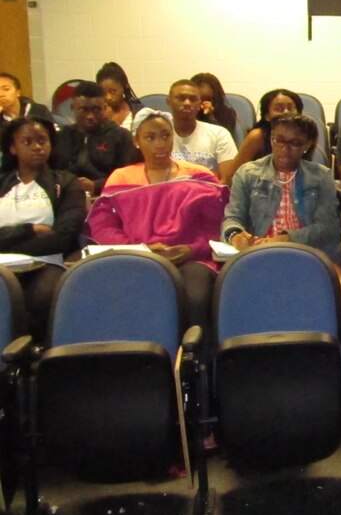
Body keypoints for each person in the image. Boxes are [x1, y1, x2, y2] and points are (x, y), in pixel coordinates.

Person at [86, 108, 229, 333]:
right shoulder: (121, 178)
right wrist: (140, 249)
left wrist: (191, 249)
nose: (160, 144)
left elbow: (215, 226)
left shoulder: (200, 176)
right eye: (150, 138)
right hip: (136, 257)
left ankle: (194, 358)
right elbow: (103, 226)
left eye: (165, 136)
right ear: (136, 141)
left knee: (195, 296)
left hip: (192, 259)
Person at [0, 117, 86, 341]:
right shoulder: (2, 183)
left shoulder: (66, 183)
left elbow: (62, 237)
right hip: (2, 264)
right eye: (27, 142)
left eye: (42, 141)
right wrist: (28, 229)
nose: (37, 147)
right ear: (13, 148)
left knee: (44, 296)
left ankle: (39, 360)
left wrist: (8, 238)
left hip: (48, 261)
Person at [221, 114, 340, 261]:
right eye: (280, 141)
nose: (285, 148)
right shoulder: (247, 173)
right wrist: (235, 236)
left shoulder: (321, 176)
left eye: (295, 143)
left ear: (307, 145)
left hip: (307, 252)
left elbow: (327, 227)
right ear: (272, 138)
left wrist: (286, 239)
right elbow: (233, 217)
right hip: (258, 252)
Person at [50, 80, 138, 195]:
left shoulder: (121, 136)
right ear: (73, 107)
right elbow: (51, 174)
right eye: (84, 110)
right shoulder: (61, 137)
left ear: (105, 107)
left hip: (106, 197)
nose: (90, 116)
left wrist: (95, 186)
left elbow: (128, 177)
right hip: (67, 197)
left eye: (96, 109)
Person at [221, 88, 306, 184]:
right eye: (279, 109)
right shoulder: (257, 136)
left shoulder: (304, 135)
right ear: (267, 116)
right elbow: (232, 175)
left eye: (291, 108)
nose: (286, 112)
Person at [167, 79, 237, 178]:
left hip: (208, 192)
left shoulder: (220, 134)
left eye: (193, 99)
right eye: (181, 98)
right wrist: (209, 173)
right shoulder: (158, 136)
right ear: (168, 102)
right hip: (169, 192)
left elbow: (226, 180)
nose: (187, 103)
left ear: (200, 104)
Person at [95, 61, 143, 132]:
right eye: (103, 93)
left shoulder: (139, 111)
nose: (108, 97)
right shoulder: (97, 115)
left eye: (112, 92)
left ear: (124, 87)